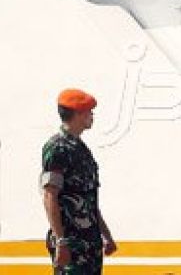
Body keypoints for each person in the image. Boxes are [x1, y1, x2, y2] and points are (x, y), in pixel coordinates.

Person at [41, 88, 117, 274]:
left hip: (89, 243)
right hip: (72, 243)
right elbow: (50, 196)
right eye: (88, 111)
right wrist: (61, 241)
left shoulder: (81, 149)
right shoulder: (58, 148)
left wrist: (105, 234)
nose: (92, 115)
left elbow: (88, 200)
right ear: (77, 113)